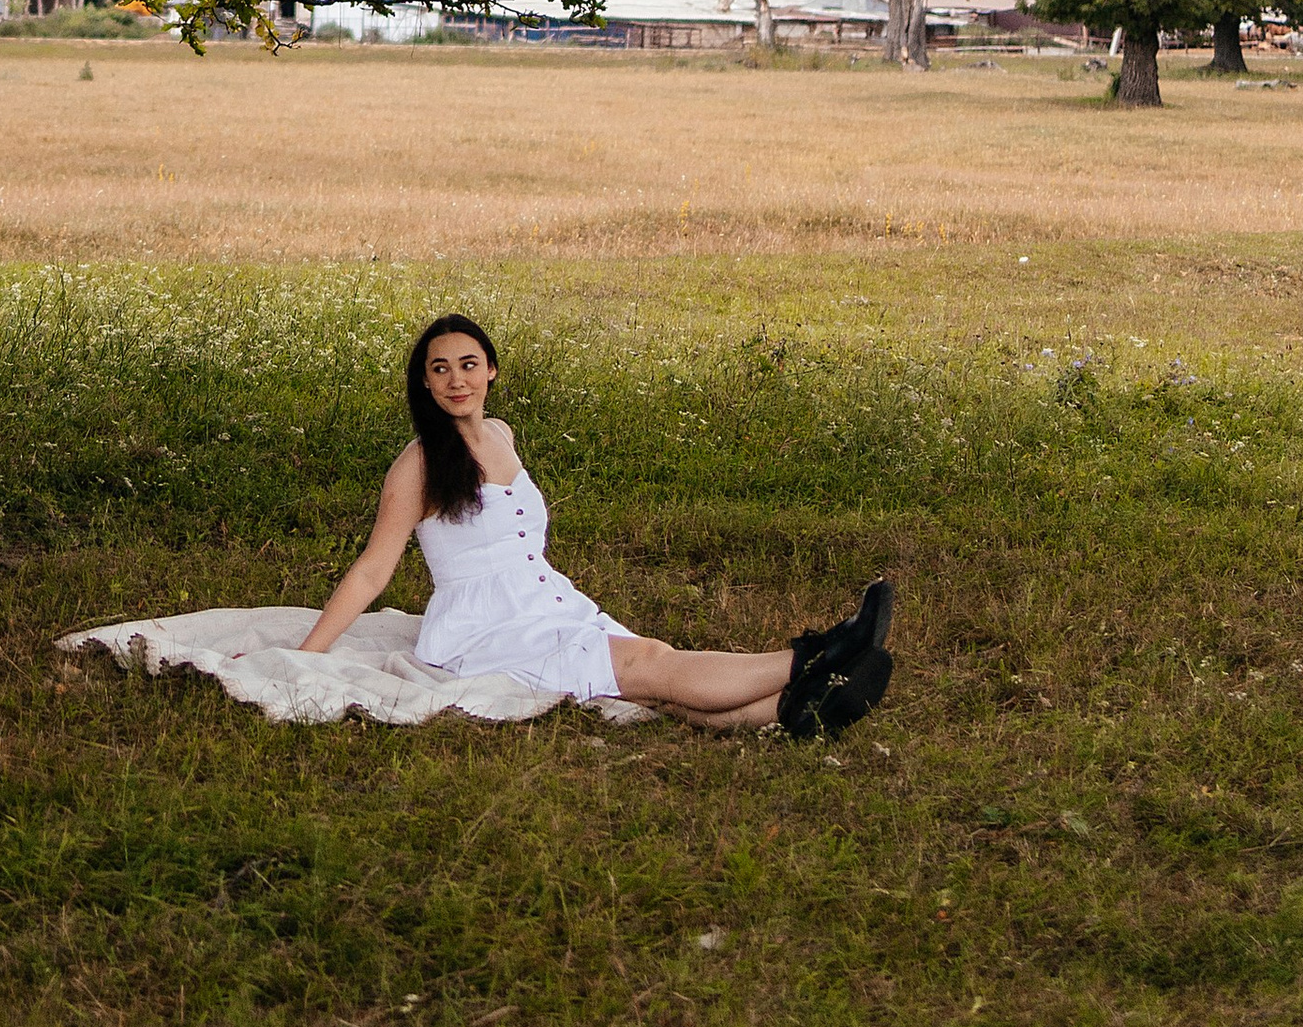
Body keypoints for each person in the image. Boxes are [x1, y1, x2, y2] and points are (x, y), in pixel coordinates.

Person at [294, 312, 894, 737]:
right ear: (425, 382)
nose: (456, 380)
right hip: (487, 627)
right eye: (441, 369)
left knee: (658, 694)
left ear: (492, 371)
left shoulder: (502, 435)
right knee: (652, 662)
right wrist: (309, 654)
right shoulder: (418, 463)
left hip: (546, 603)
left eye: (468, 365)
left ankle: (802, 709)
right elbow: (374, 568)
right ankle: (823, 653)